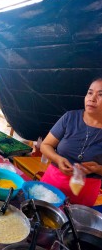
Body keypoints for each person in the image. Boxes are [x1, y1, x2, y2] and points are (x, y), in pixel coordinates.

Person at [40, 77, 102, 206]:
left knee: (71, 224)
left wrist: (98, 169)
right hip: (53, 184)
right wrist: (58, 159)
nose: (92, 98)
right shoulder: (70, 117)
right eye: (90, 93)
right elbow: (45, 145)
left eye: (100, 95)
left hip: (84, 192)